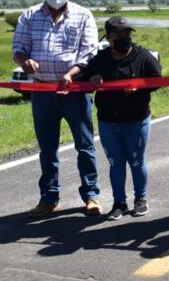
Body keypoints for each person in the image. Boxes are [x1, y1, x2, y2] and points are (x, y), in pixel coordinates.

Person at [12, 0, 101, 217]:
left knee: (85, 146)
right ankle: (49, 198)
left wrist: (71, 74)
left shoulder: (83, 15)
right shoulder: (29, 16)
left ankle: (91, 196)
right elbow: (18, 48)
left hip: (75, 90)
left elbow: (89, 52)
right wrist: (24, 62)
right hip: (42, 91)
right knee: (47, 149)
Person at [69, 17, 162, 220]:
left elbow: (157, 80)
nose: (124, 37)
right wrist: (92, 79)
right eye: (118, 34)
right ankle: (119, 202)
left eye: (127, 33)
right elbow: (83, 81)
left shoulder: (142, 56)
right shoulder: (101, 58)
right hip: (108, 121)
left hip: (137, 120)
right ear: (109, 37)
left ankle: (140, 199)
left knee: (136, 161)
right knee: (116, 164)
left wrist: (140, 87)